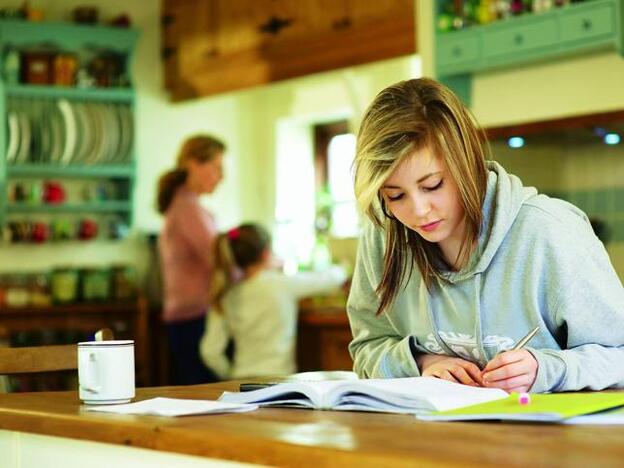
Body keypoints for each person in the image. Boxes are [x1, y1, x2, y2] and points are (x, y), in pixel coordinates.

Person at [347, 77, 624, 394]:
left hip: (550, 438)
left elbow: (619, 355)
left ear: (466, 162)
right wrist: (422, 361)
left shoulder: (551, 231)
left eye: (433, 185)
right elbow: (368, 345)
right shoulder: (384, 236)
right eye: (395, 196)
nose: (419, 210)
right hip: (432, 435)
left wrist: (547, 369)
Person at [200, 223, 347, 379]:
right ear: (265, 253)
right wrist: (343, 267)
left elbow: (209, 351)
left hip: (240, 381)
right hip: (278, 380)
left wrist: (229, 375)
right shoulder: (281, 284)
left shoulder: (226, 296)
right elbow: (328, 279)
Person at [157, 134, 225, 384]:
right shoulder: (187, 208)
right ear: (193, 164)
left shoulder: (184, 204)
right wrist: (260, 266)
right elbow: (219, 259)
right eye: (216, 167)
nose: (221, 176)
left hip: (185, 318)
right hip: (193, 320)